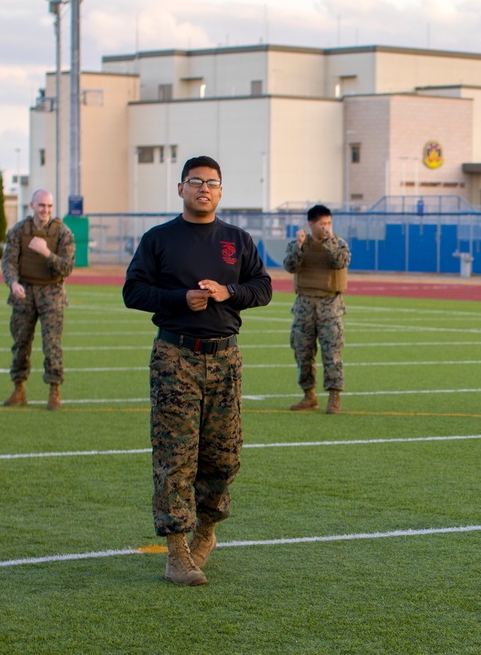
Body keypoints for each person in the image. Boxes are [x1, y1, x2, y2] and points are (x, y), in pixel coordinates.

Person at [123, 155, 273, 586]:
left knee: (223, 456)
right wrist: (179, 298)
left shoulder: (237, 239)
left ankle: (207, 530)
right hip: (175, 358)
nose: (203, 188)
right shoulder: (160, 239)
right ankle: (175, 551)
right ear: (181, 188)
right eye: (195, 181)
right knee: (176, 455)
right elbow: (133, 291)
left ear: (221, 190)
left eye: (212, 182)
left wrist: (229, 292)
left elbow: (262, 287)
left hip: (225, 359)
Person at [1, 189, 75, 411]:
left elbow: (67, 267)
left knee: (52, 344)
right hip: (24, 293)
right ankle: (19, 388)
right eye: (42, 205)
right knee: (20, 342)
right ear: (32, 205)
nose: (45, 210)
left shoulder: (62, 232)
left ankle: (54, 390)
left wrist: (46, 253)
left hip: (51, 293)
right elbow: (9, 262)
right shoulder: (18, 231)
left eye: (49, 207)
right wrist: (13, 283)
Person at [282, 204, 351, 414]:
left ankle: (334, 396)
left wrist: (328, 241)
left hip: (330, 306)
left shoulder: (338, 243)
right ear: (311, 224)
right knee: (303, 352)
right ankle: (308, 395)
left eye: (329, 223)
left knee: (332, 353)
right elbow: (289, 266)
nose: (326, 227)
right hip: (305, 306)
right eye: (322, 223)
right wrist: (300, 246)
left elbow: (341, 262)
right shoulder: (298, 244)